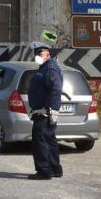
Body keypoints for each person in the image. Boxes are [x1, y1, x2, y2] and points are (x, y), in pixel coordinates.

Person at [27, 42, 63, 180]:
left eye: (39, 53)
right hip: (43, 111)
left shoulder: (50, 68)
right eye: (35, 54)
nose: (36, 56)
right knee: (49, 140)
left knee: (40, 142)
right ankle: (55, 169)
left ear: (47, 54)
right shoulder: (45, 67)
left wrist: (51, 109)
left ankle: (44, 171)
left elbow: (55, 88)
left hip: (44, 112)